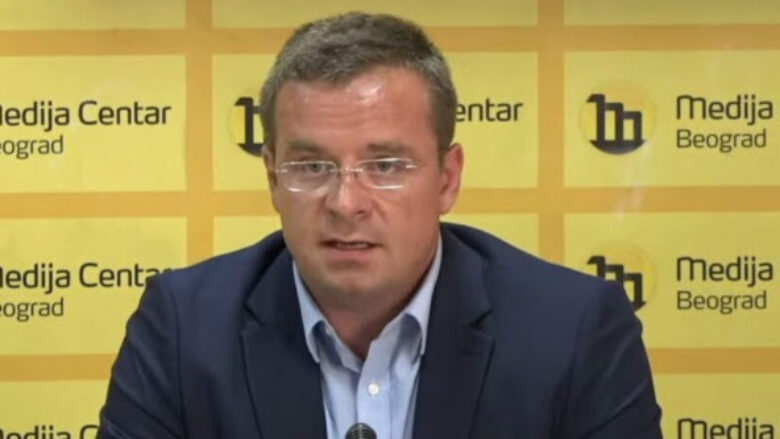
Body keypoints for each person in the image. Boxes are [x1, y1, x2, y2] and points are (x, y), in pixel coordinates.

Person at [98, 12, 662, 439]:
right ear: (272, 179)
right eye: (311, 167)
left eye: (386, 166)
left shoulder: (574, 331)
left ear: (447, 179)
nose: (346, 203)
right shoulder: (183, 329)